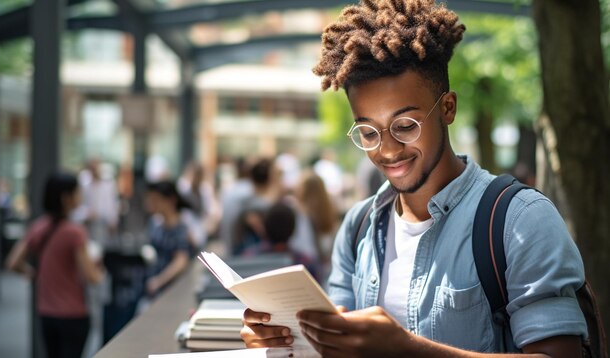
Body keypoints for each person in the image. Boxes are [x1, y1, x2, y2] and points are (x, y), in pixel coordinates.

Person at [241, 0, 587, 357]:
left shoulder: (522, 221)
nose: (388, 150)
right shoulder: (358, 228)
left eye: (406, 125)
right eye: (368, 132)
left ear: (448, 108)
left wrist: (407, 350)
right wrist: (282, 341)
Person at [6, 172, 104, 358]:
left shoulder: (39, 227)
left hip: (46, 313)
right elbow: (91, 276)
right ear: (66, 198)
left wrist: (33, 273)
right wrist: (100, 269)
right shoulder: (75, 232)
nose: (80, 196)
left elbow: (13, 262)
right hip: (73, 313)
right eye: (77, 192)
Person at [143, 181, 192, 299]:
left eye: (156, 200)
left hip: (170, 289)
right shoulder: (155, 224)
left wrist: (159, 281)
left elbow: (181, 260)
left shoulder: (181, 228)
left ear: (170, 200)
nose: (152, 204)